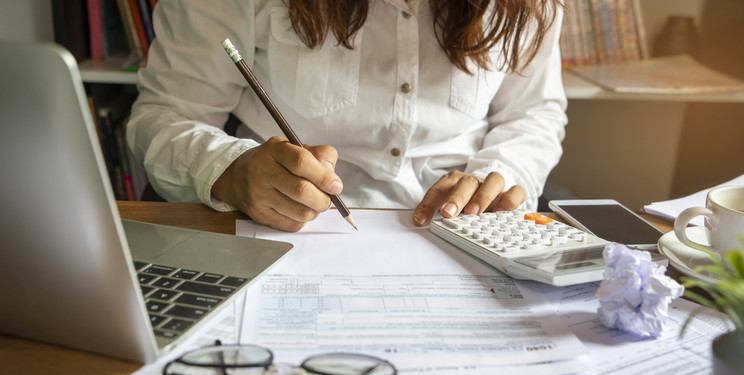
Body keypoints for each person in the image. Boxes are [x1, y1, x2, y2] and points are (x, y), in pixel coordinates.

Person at [128, 0, 567, 232]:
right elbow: (165, 114)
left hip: (464, 233)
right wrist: (231, 172)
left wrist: (498, 176)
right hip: (279, 233)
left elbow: (534, 112)